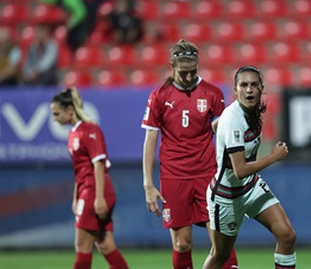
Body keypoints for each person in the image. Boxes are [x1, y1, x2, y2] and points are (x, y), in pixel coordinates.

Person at [141, 39, 239, 269]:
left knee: (221, 240)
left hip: (207, 174)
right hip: (174, 176)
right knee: (182, 244)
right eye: (183, 72)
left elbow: (224, 134)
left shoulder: (213, 93)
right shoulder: (159, 96)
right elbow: (150, 140)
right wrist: (148, 184)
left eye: (192, 71)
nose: (188, 77)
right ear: (172, 66)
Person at [202, 65, 296, 269]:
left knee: (287, 236)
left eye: (254, 85)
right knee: (220, 255)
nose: (249, 89)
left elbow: (216, 126)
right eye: (243, 85)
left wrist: (220, 130)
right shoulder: (234, 119)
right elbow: (240, 170)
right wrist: (273, 157)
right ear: (235, 91)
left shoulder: (251, 112)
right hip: (227, 195)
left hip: (250, 187)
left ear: (262, 88)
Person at [50, 87, 129, 269]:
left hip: (95, 191)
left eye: (56, 114)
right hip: (87, 190)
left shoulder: (90, 130)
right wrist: (75, 197)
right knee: (105, 245)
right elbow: (79, 170)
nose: (54, 119)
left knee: (82, 246)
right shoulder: (73, 134)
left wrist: (99, 198)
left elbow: (98, 165)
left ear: (70, 110)